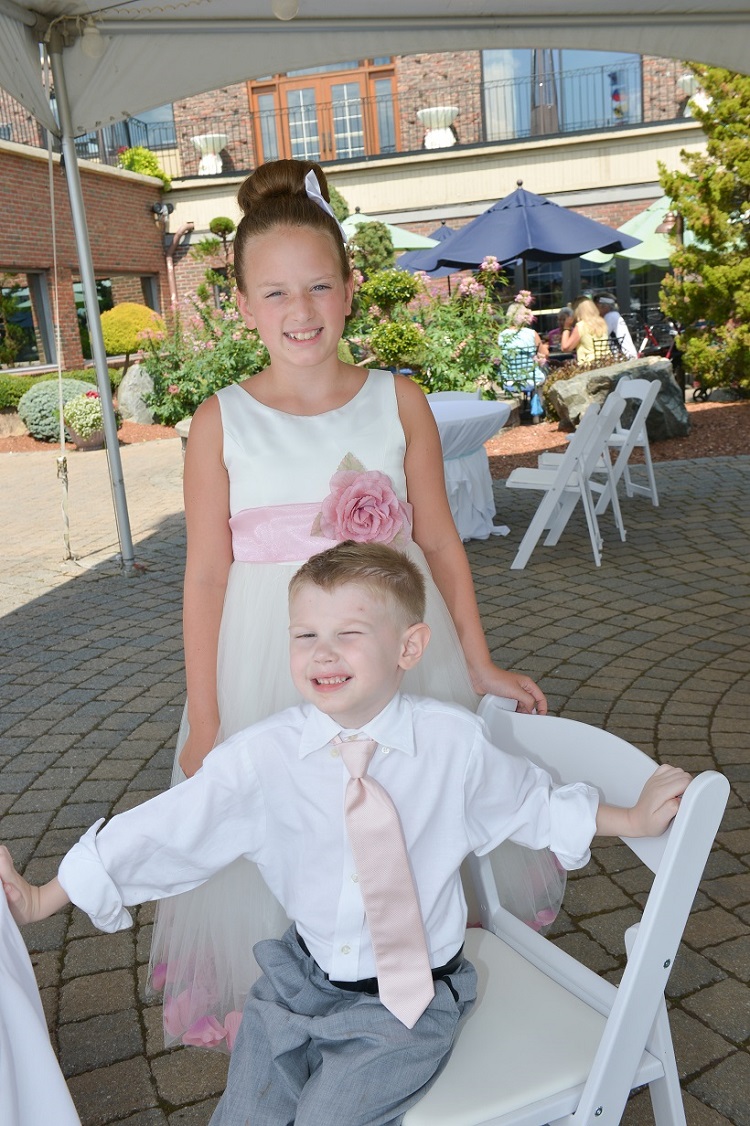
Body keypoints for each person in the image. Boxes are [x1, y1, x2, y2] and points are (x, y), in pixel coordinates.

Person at [0, 541, 691, 1126]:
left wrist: (629, 817)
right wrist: (43, 897)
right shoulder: (261, 756)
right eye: (306, 635)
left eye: (349, 633)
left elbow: (531, 805)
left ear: (409, 646)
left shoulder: (453, 743)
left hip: (409, 1004)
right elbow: (165, 831)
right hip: (298, 982)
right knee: (244, 1114)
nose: (323, 653)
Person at [149, 157, 559, 1049]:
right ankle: (314, 998)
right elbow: (208, 576)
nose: (301, 313)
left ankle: (422, 976)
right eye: (276, 293)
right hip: (275, 657)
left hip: (398, 650)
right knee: (290, 819)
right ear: (243, 304)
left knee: (414, 803)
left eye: (319, 287)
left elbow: (441, 541)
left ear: (350, 289)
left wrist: (479, 661)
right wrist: (209, 714)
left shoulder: (396, 400)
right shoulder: (221, 420)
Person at [560, 297, 610, 365]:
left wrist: (566, 328)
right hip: (606, 361)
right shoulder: (602, 322)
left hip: (589, 364)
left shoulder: (581, 325)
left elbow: (565, 348)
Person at [594, 292, 638, 359]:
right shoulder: (614, 315)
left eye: (596, 307)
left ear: (605, 307)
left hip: (624, 356)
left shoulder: (610, 316)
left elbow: (600, 335)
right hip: (627, 355)